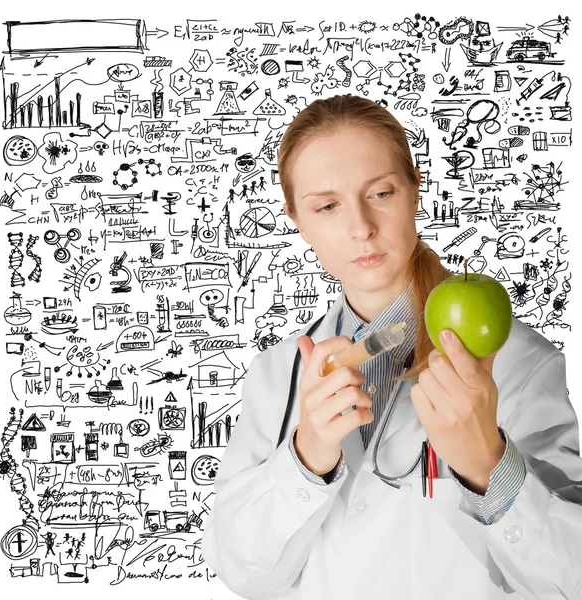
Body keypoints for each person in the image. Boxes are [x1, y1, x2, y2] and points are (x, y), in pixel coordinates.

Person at [201, 94, 582, 599]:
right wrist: (307, 456)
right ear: (295, 216)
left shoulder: (516, 362)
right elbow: (243, 574)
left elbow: (570, 580)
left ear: (414, 188)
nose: (361, 227)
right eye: (328, 205)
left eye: (380, 193)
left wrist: (490, 467)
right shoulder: (277, 374)